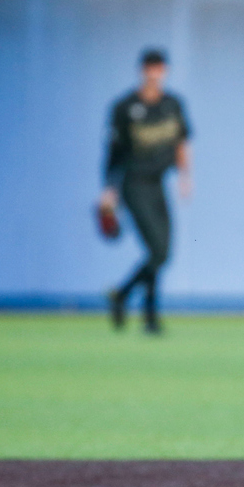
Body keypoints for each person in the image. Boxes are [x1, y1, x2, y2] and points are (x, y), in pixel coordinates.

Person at [100, 49, 192, 334]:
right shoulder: (125, 107)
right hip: (132, 184)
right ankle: (147, 315)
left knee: (161, 252)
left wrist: (185, 176)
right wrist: (109, 190)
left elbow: (181, 141)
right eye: (150, 67)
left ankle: (125, 297)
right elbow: (112, 152)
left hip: (158, 183)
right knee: (157, 251)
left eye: (159, 67)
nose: (155, 72)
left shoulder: (173, 104)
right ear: (142, 70)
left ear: (165, 71)